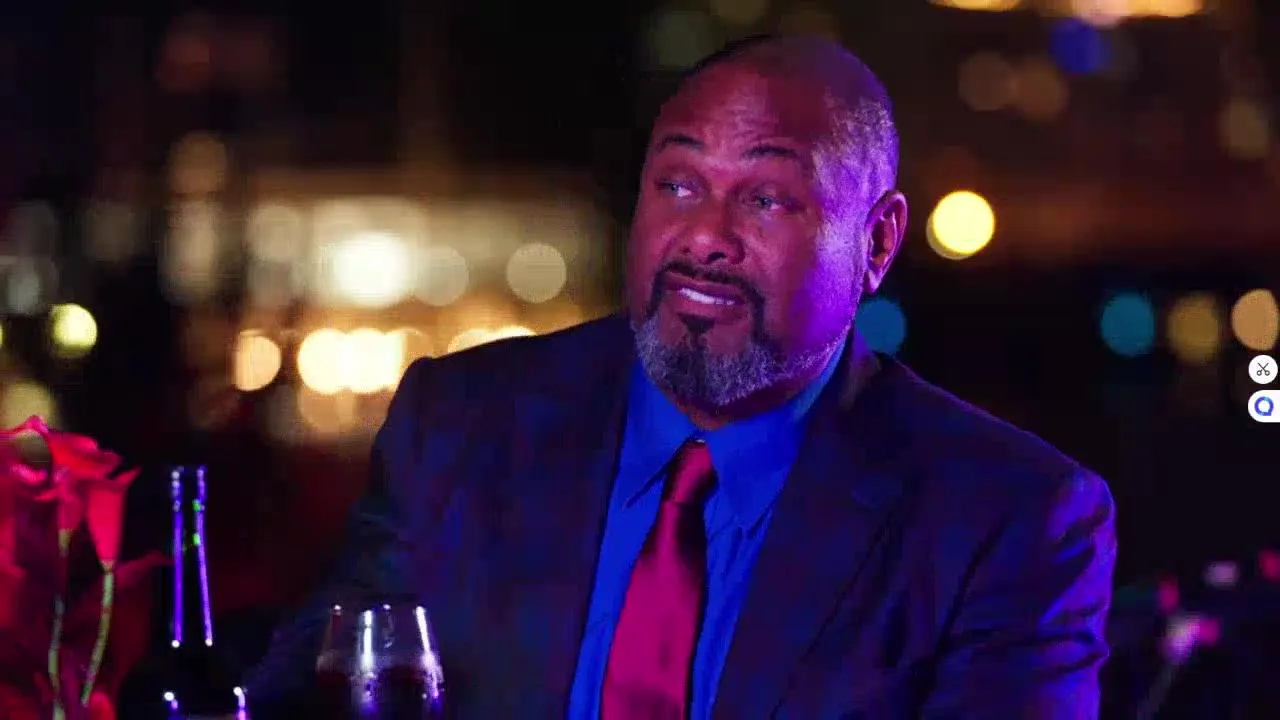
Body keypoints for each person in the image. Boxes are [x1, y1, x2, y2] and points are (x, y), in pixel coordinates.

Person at [245, 35, 1116, 718]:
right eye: (678, 183)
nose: (705, 236)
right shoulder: (463, 424)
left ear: (877, 243)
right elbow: (306, 692)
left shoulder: (1006, 518)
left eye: (765, 198)